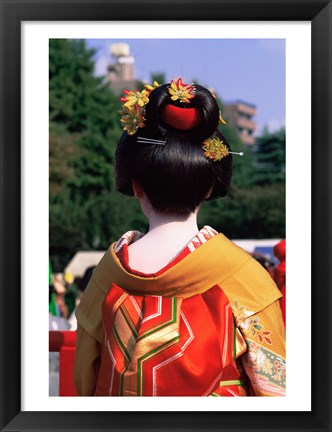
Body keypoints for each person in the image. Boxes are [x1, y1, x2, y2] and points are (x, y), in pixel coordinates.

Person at [74, 79, 285, 396]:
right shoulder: (244, 277)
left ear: (135, 186)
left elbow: (84, 379)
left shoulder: (106, 277)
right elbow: (277, 388)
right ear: (211, 187)